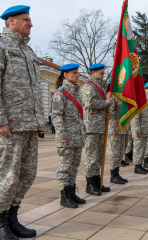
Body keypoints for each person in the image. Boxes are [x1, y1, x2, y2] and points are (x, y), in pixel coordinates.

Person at [0, 6, 46, 239]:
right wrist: (1, 121)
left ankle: (12, 217)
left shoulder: (28, 50)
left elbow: (34, 90)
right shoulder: (1, 46)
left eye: (30, 19)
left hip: (29, 124)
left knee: (27, 175)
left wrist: (40, 120)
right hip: (10, 125)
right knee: (7, 175)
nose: (31, 23)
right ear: (11, 21)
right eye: (26, 20)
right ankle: (0, 223)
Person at [51, 64, 86, 209]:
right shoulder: (61, 93)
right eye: (74, 73)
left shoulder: (77, 92)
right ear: (65, 75)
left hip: (77, 136)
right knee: (65, 168)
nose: (78, 75)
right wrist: (62, 135)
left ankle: (71, 192)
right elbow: (56, 115)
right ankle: (64, 196)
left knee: (73, 167)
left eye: (78, 73)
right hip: (66, 137)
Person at [80, 63, 112, 196]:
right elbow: (89, 103)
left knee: (98, 157)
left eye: (104, 73)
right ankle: (90, 185)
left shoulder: (99, 87)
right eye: (101, 73)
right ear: (93, 73)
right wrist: (107, 103)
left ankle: (97, 182)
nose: (103, 75)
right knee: (91, 157)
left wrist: (106, 113)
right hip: (92, 127)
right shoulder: (88, 86)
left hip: (100, 126)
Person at [108, 93, 129, 184]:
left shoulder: (123, 98)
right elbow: (110, 112)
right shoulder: (112, 97)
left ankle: (117, 174)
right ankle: (113, 175)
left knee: (120, 152)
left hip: (123, 129)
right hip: (116, 130)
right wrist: (113, 128)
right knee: (115, 153)